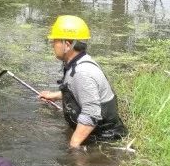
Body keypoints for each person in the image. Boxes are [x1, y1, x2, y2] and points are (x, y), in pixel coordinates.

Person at [39, 15, 127, 148]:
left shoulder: (82, 73)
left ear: (67, 44)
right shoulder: (79, 62)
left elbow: (91, 114)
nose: (52, 44)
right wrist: (54, 95)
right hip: (96, 132)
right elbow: (80, 92)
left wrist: (73, 145)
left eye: (55, 40)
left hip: (103, 138)